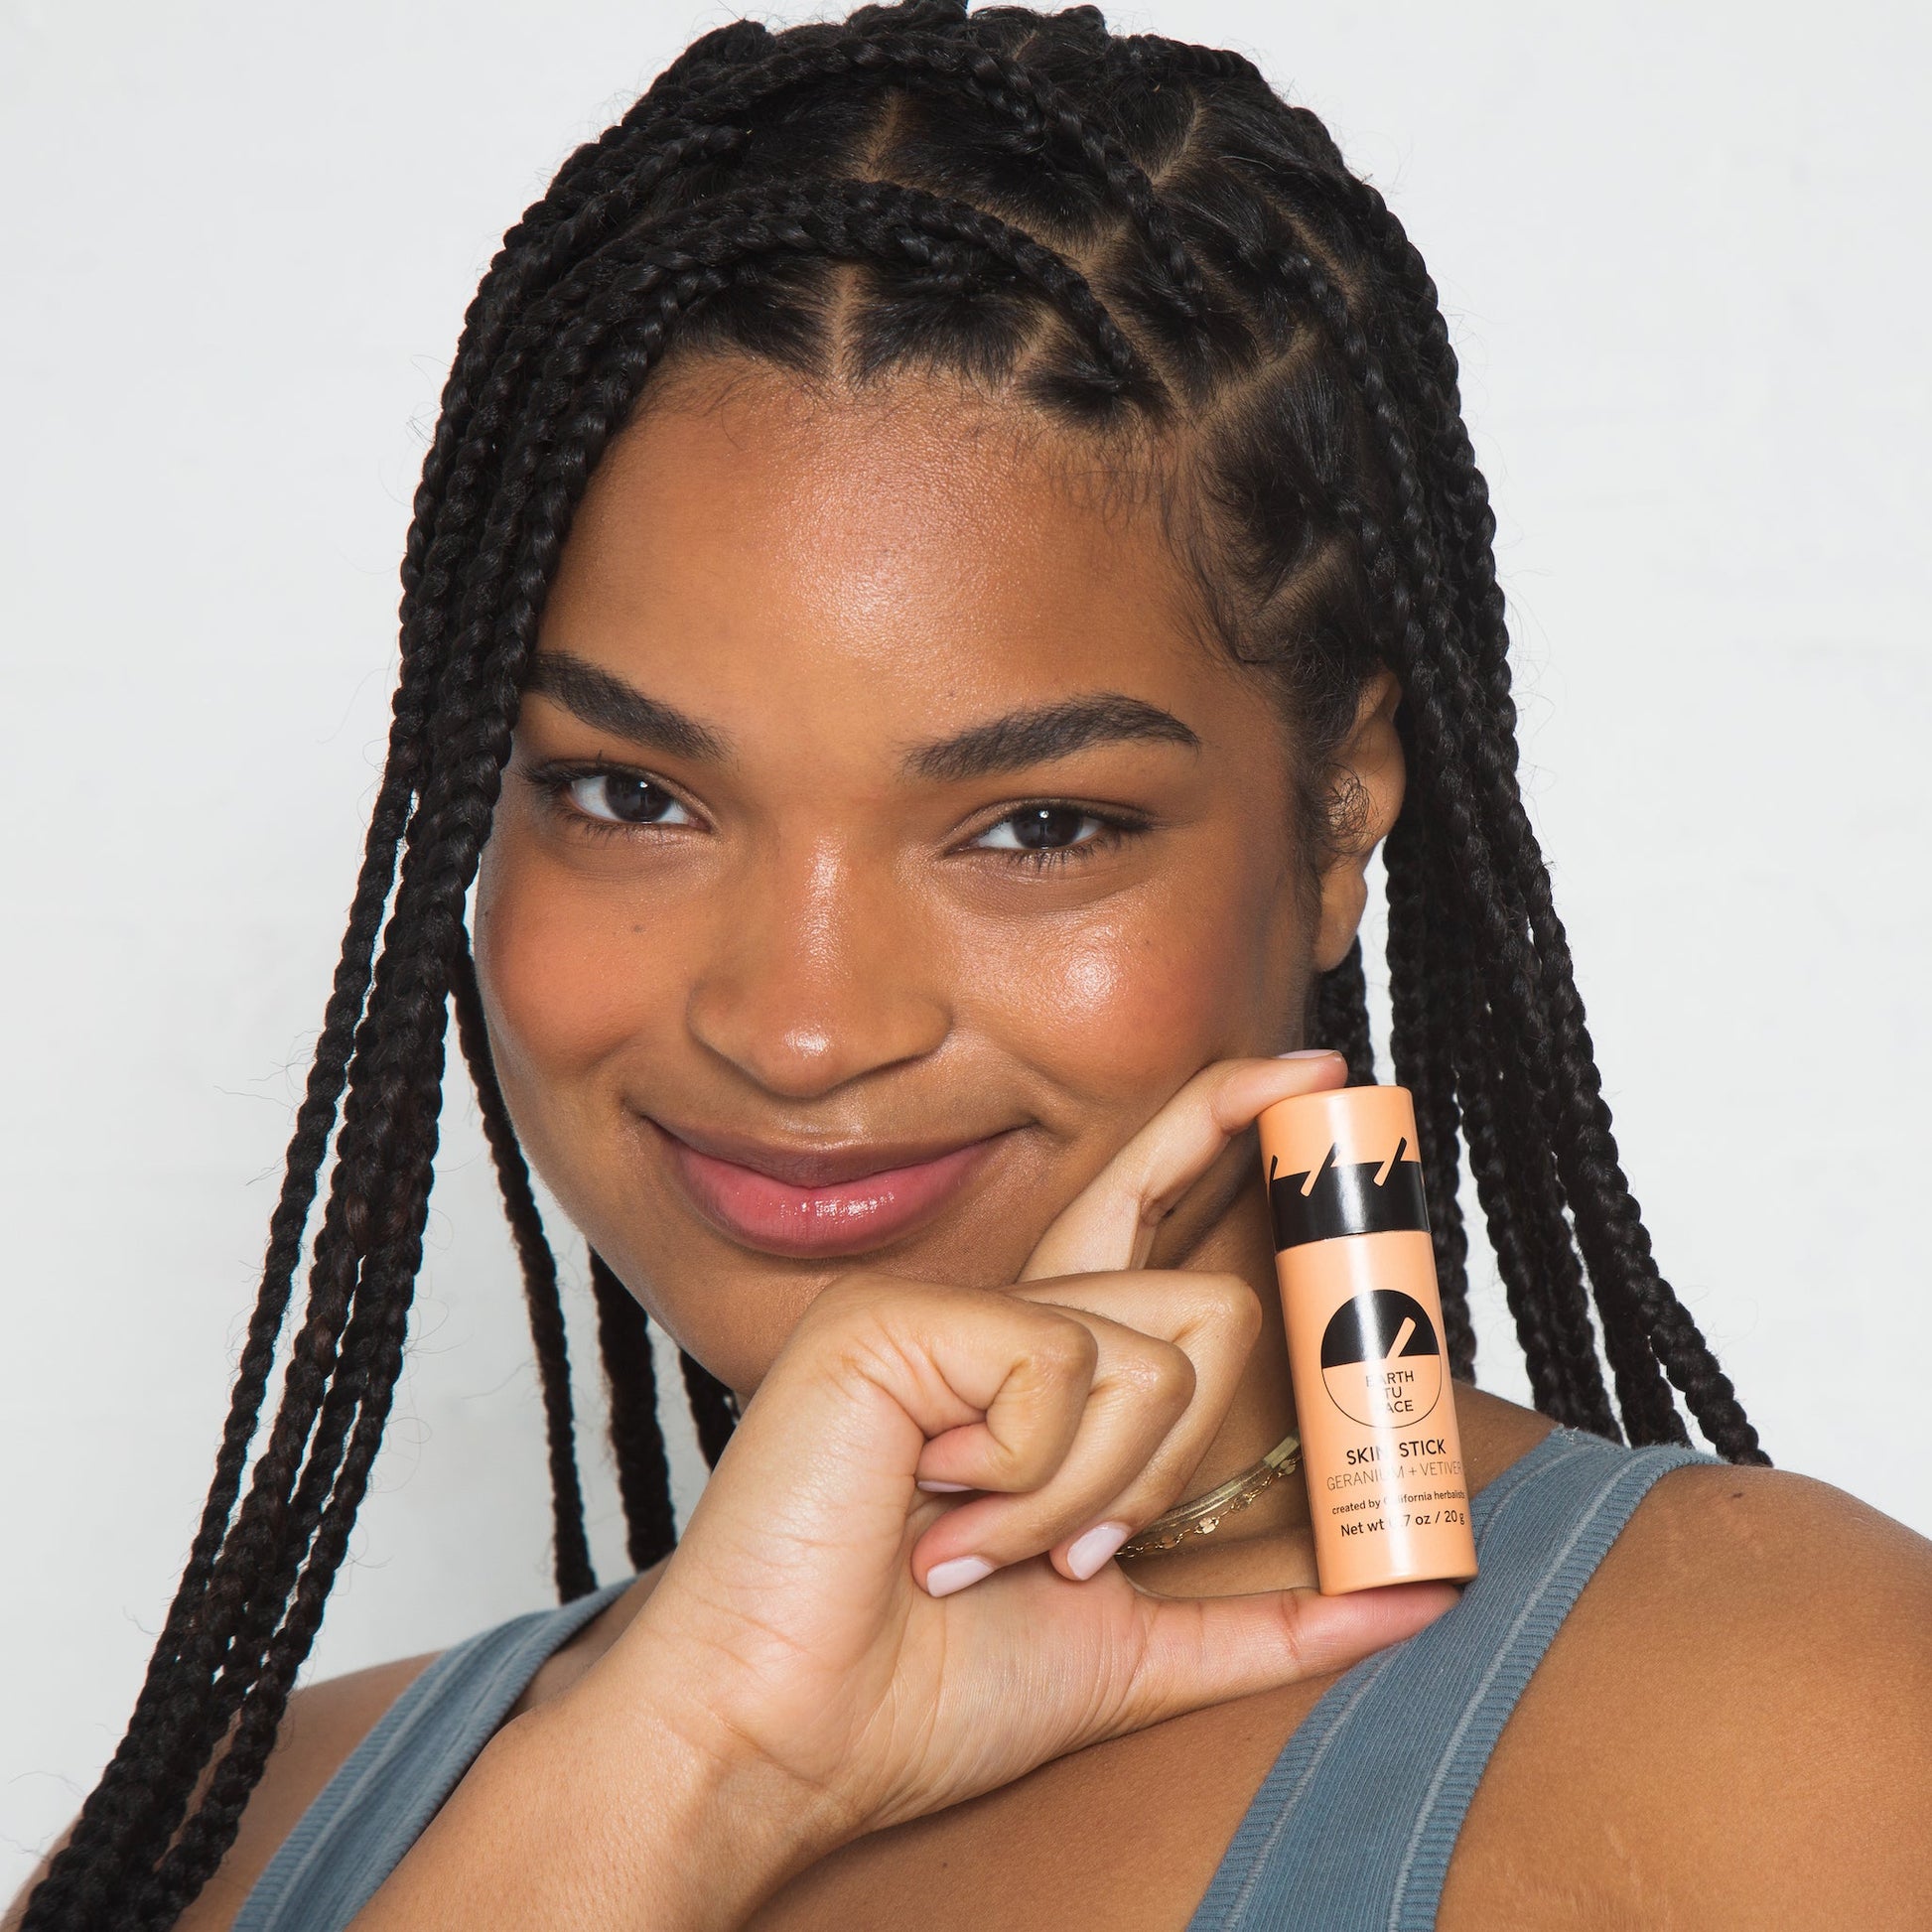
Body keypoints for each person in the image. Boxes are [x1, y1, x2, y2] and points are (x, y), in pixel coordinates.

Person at [13, 5, 1931, 1927]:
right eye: (630, 794)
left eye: (1034, 827)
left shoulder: (1782, 1733)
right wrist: (681, 1770)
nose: (799, 1026)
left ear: (1339, 815)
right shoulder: (232, 1844)